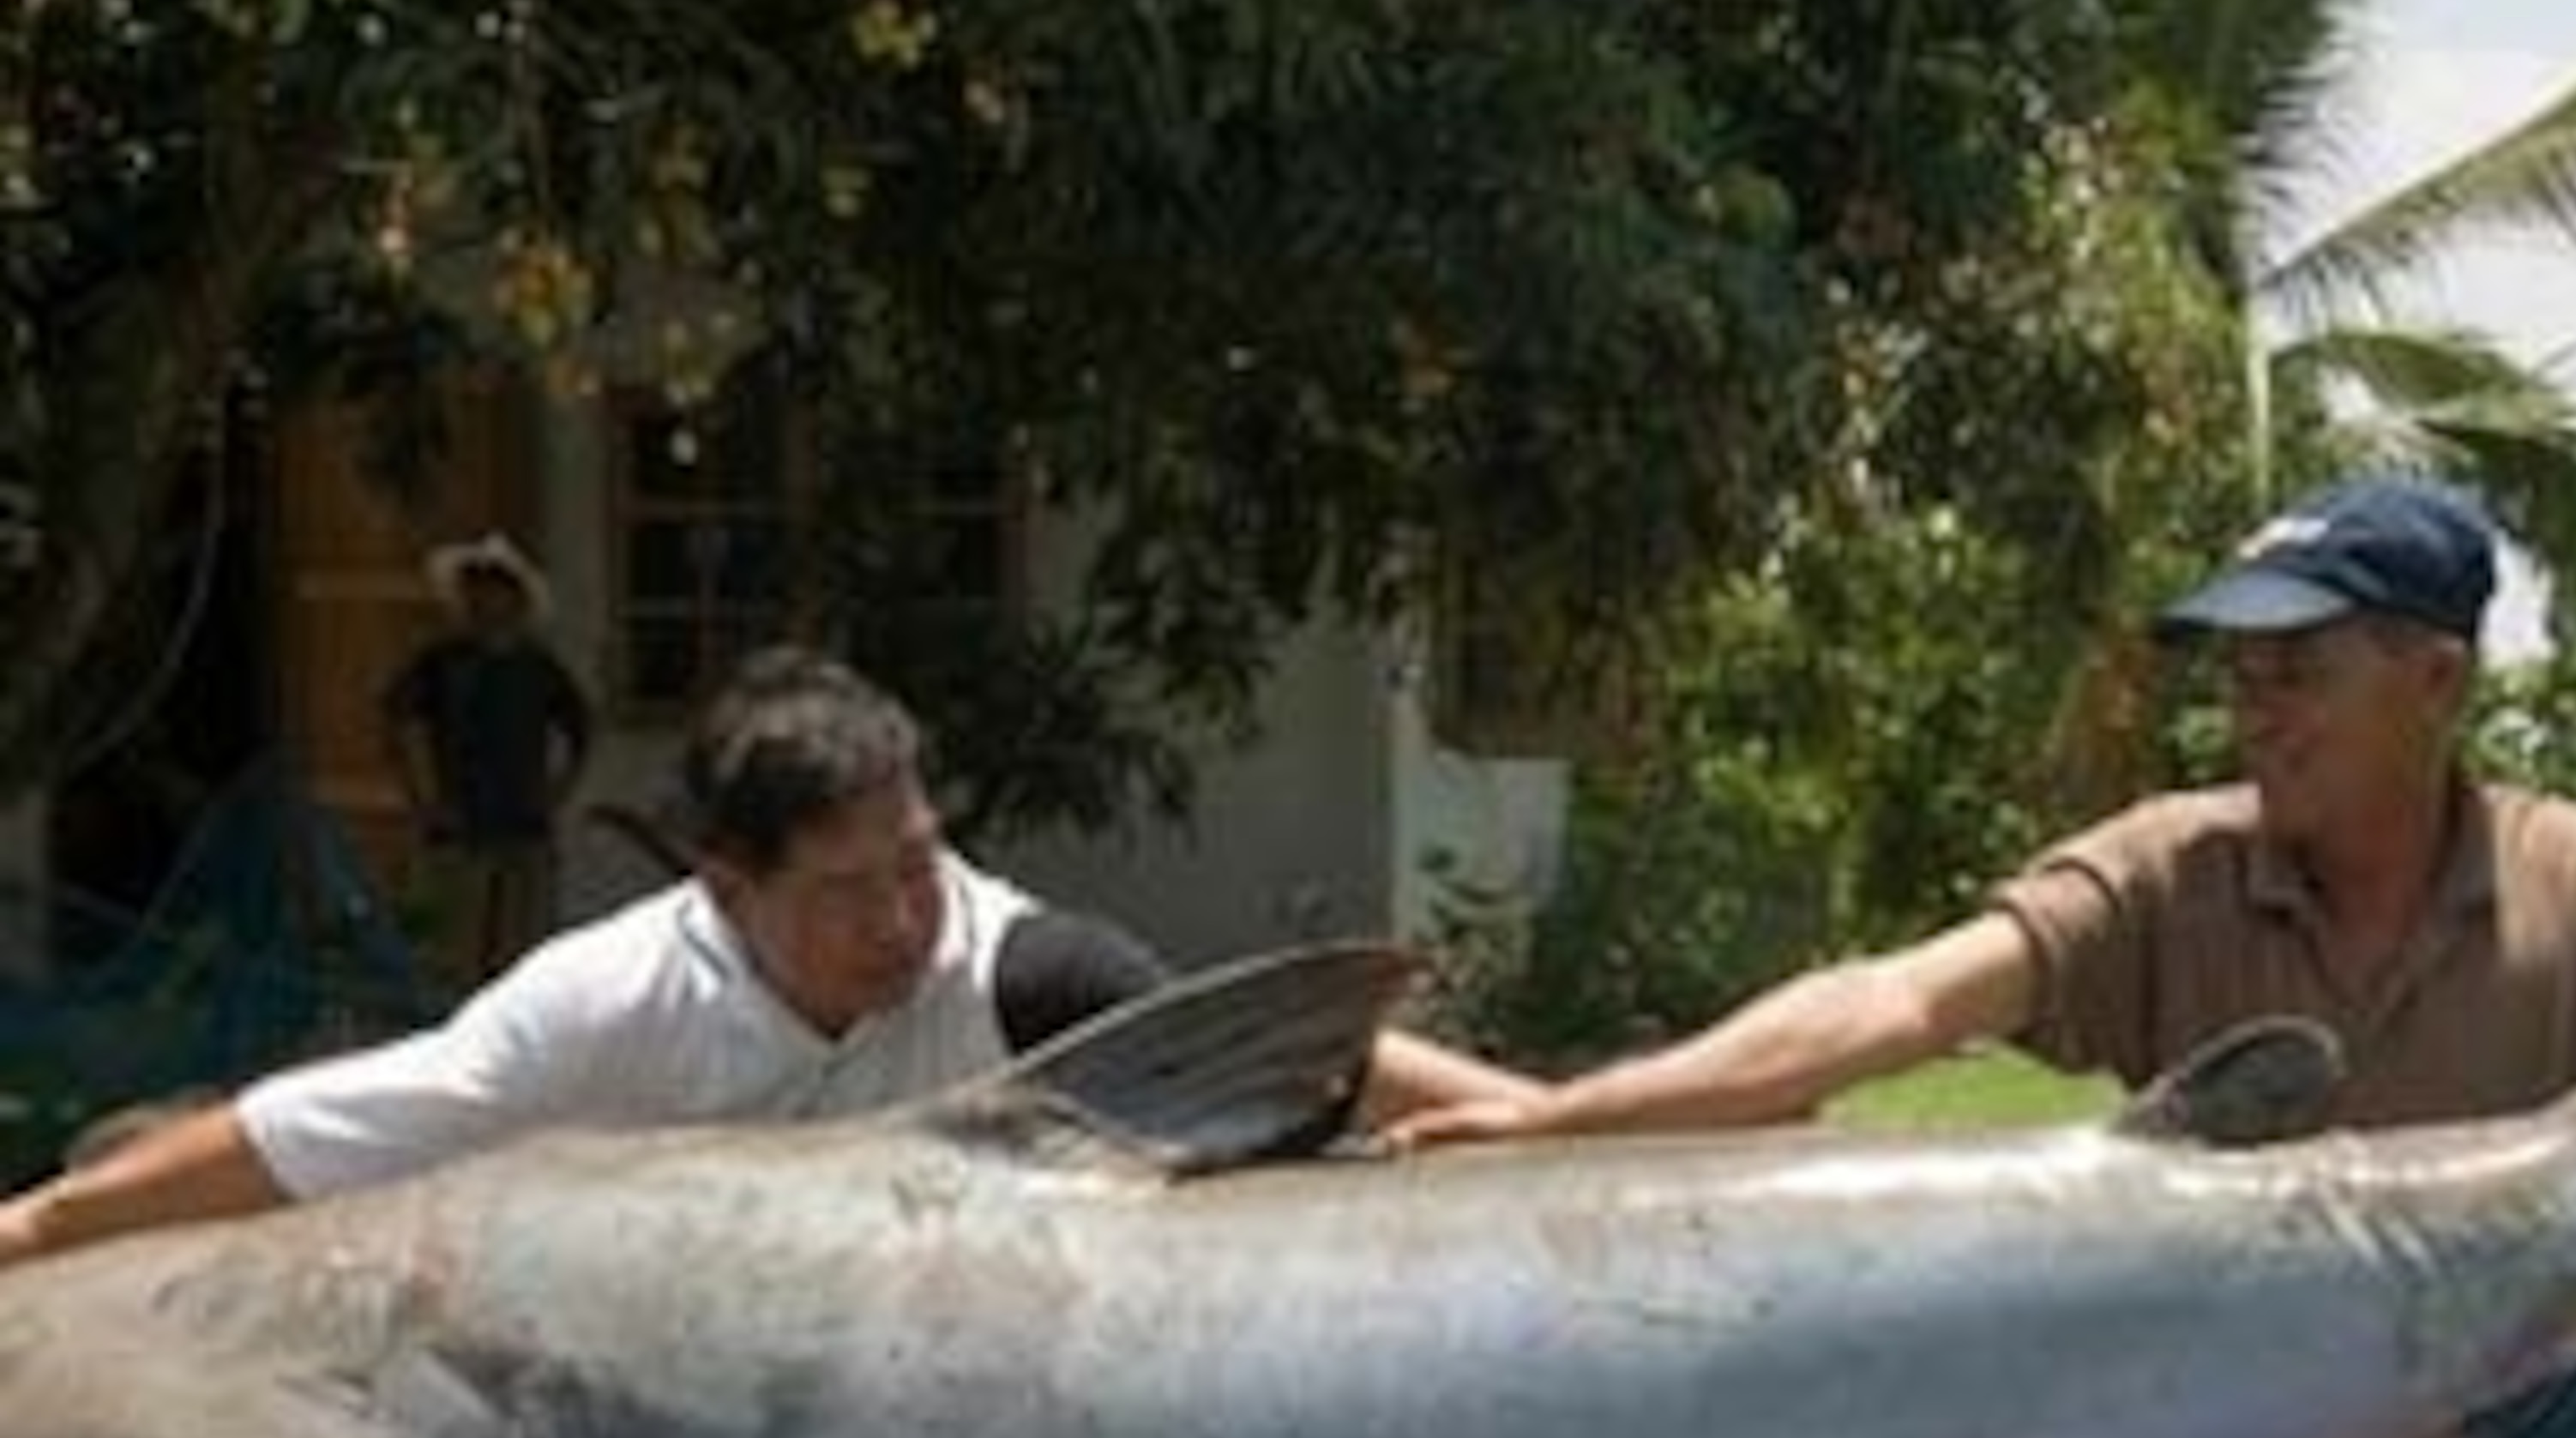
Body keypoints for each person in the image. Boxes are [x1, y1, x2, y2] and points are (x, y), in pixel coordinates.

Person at [1395, 472, 2576, 1438]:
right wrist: (1564, 1117)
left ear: (2436, 679)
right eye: (2239, 673)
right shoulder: (2171, 872)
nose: (2255, 709)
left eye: (2297, 670)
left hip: (2472, 1431)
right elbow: (1899, 997)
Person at [0, 645, 1531, 1268]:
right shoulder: (599, 1010)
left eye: (921, 864)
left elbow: (1278, 1061)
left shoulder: (1014, 971)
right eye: (849, 890)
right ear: (724, 885)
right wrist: (37, 1230)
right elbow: (300, 1139)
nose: (902, 920)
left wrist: (1552, 1128)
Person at [383, 531, 595, 981]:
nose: (482, 599)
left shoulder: (538, 667)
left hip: (524, 825)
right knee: (456, 957)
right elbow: (397, 721)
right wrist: (422, 799)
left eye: (493, 588)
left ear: (514, 598)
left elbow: (581, 729)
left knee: (524, 957)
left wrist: (556, 793)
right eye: (473, 588)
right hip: (460, 827)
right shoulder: (441, 662)